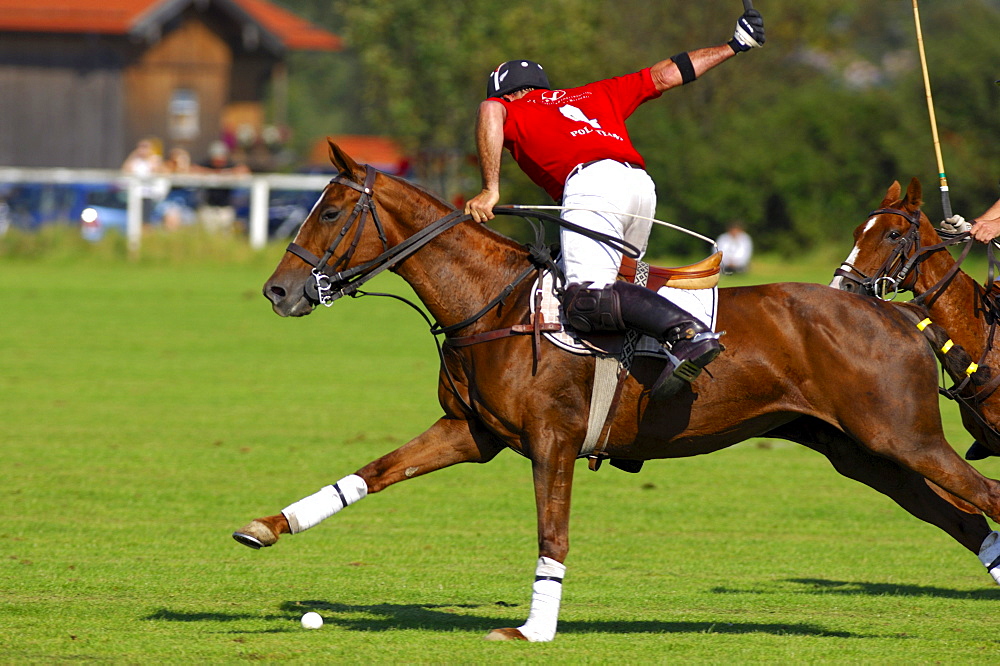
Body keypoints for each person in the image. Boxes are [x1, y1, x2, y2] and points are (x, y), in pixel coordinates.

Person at [465, 9, 765, 397]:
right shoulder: (596, 92)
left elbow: (489, 111)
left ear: (508, 93)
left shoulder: (509, 107)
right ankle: (621, 399)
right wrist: (734, 45)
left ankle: (688, 335)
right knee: (619, 292)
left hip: (593, 186)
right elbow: (667, 73)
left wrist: (490, 187)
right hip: (639, 187)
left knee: (587, 298)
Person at [197, 140, 250, 233]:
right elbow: (194, 169)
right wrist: (214, 173)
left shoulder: (229, 164)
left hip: (225, 208)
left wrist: (225, 173)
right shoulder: (207, 164)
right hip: (209, 207)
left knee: (225, 233)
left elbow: (243, 170)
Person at [121, 137, 168, 222]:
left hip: (151, 193)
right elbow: (125, 171)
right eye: (140, 147)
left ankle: (145, 225)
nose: (142, 150)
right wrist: (133, 155)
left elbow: (164, 173)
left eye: (145, 147)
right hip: (135, 192)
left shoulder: (155, 160)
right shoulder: (135, 161)